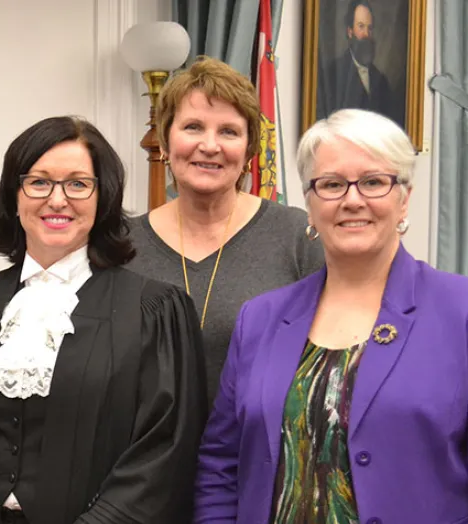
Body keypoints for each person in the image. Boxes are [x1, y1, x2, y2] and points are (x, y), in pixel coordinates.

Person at [193, 108, 468, 524]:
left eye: (373, 182)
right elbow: (220, 465)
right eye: (332, 184)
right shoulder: (259, 319)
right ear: (310, 205)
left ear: (403, 197)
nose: (352, 200)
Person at [0, 116, 208, 524]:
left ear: (104, 197)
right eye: (39, 182)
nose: (57, 200)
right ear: (14, 195)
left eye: (78, 184)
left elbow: (163, 455)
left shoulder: (154, 311)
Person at [126, 56, 324, 405]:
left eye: (229, 131)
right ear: (166, 142)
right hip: (142, 455)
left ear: (249, 150)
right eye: (193, 127)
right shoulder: (123, 244)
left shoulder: (299, 237)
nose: (210, 145)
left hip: (258, 454)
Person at [316, 0, 404, 127]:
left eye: (369, 28)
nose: (366, 34)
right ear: (350, 31)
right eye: (361, 26)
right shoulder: (332, 73)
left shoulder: (381, 80)